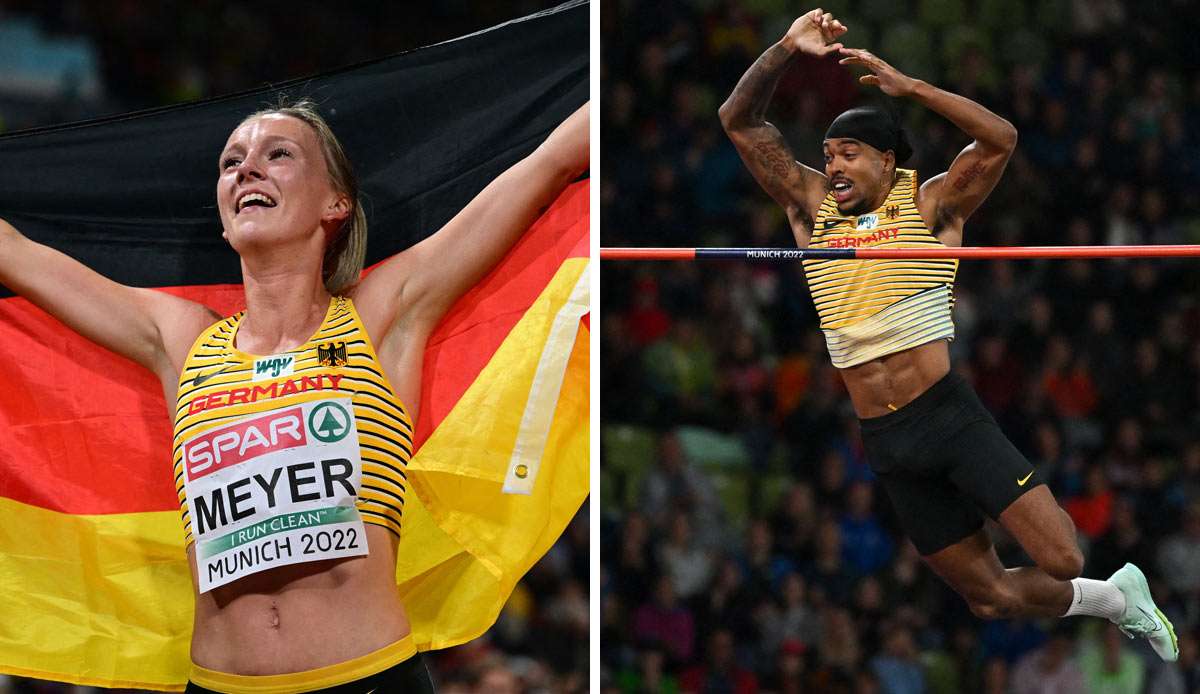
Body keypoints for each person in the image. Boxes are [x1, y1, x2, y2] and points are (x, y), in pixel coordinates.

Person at [0, 98, 588, 691]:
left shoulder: (381, 315)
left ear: (337, 202)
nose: (246, 169)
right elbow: (16, 254)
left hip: (367, 678)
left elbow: (550, 162)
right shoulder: (181, 341)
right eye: (231, 163)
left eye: (277, 154)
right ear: (225, 217)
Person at [718, 8, 1176, 661]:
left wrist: (912, 89)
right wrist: (786, 48)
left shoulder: (932, 204)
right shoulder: (810, 207)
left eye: (848, 153)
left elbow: (1000, 139)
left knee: (1061, 555)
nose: (834, 165)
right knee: (989, 597)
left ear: (885, 158)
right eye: (827, 155)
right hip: (885, 438)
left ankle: (1110, 587)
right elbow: (738, 121)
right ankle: (1116, 599)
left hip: (947, 417)